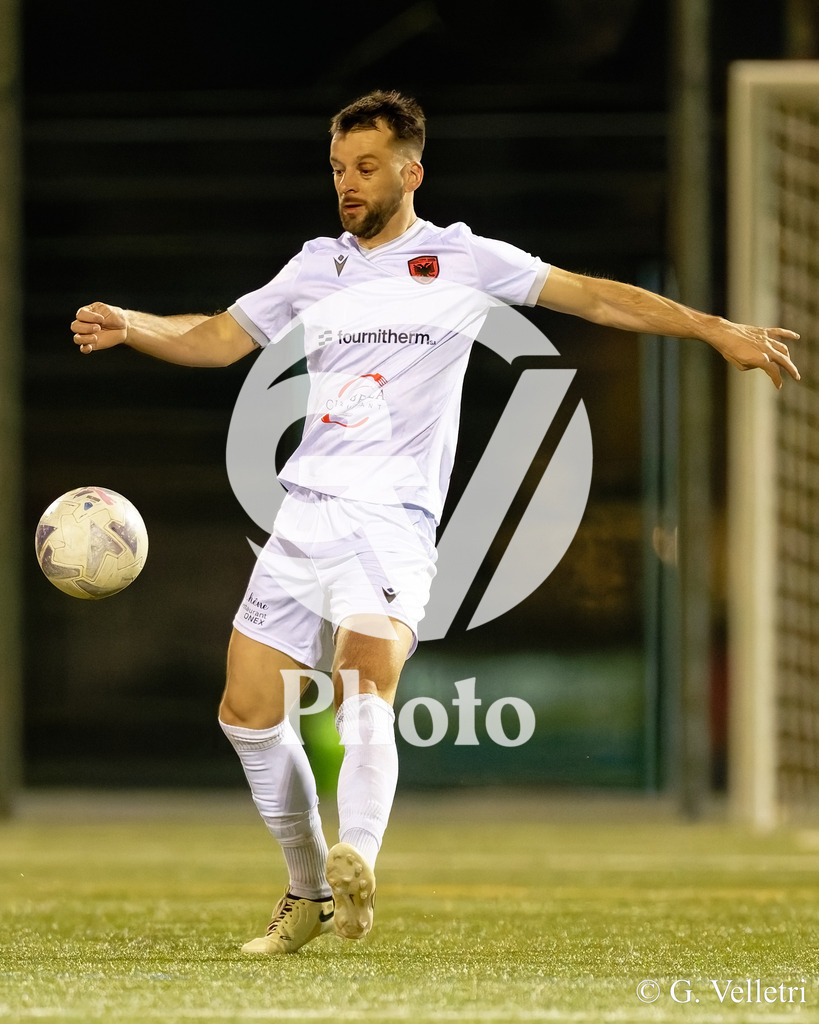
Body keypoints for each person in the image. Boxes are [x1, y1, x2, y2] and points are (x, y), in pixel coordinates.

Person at [71, 89, 800, 955]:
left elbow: (596, 299)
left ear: (411, 172)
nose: (348, 183)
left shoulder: (463, 259)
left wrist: (712, 328)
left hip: (392, 518)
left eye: (367, 167)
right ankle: (309, 893)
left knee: (363, 678)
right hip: (303, 513)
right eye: (339, 168)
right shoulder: (316, 265)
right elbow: (220, 339)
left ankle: (358, 858)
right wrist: (133, 324)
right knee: (245, 711)